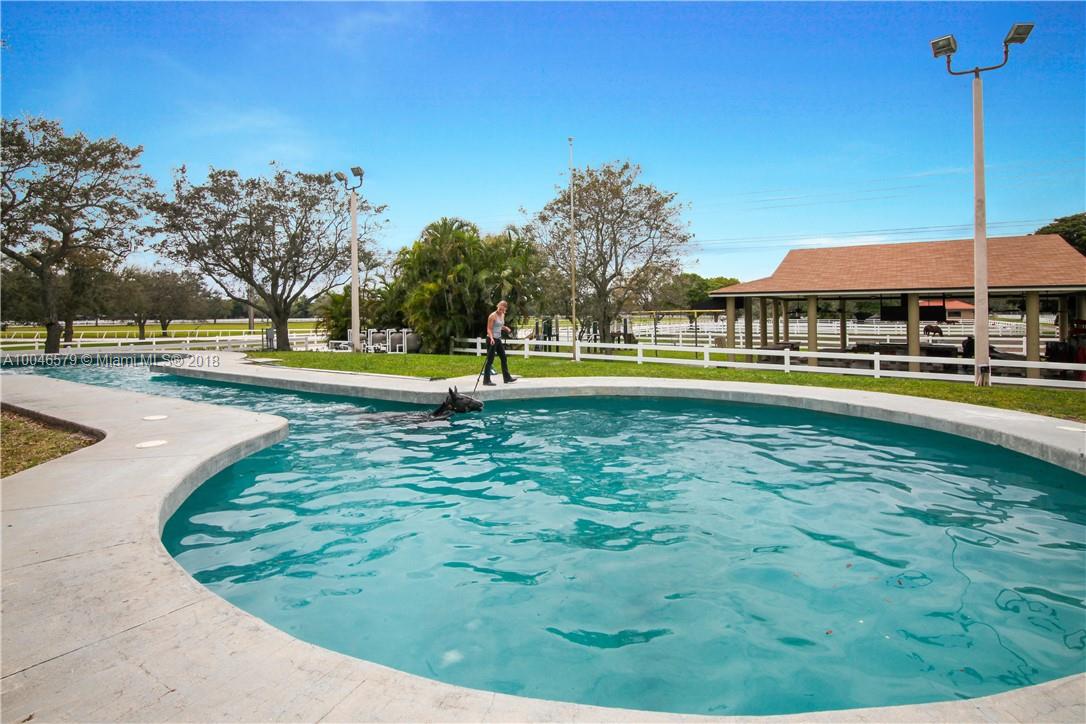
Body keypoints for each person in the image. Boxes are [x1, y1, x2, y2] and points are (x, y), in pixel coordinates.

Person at [483, 300, 516, 386]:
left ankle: (507, 378)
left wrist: (505, 328)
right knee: (490, 360)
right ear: (498, 306)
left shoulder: (502, 315)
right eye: (499, 308)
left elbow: (499, 326)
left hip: (498, 339)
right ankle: (486, 381)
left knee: (504, 358)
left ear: (505, 309)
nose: (500, 310)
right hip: (491, 339)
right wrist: (491, 338)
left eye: (502, 309)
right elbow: (489, 329)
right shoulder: (492, 316)